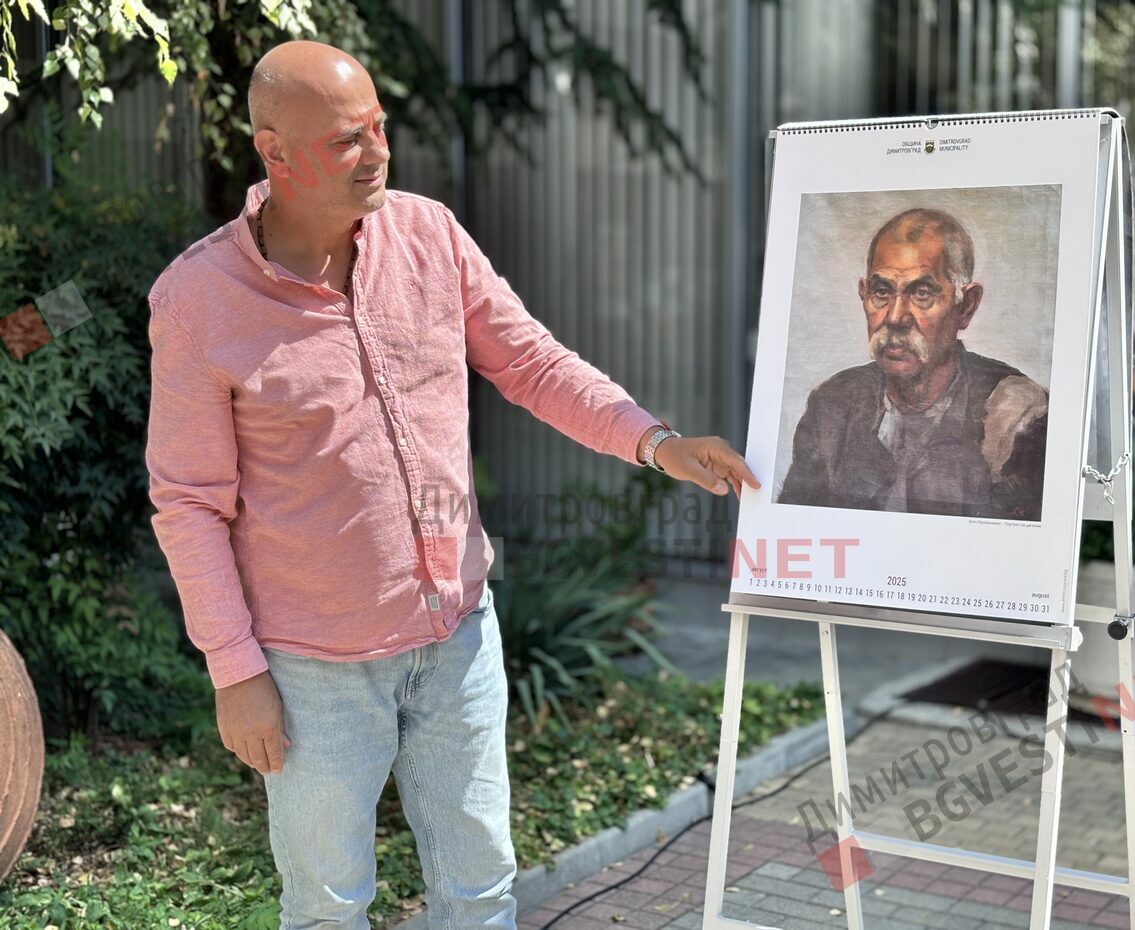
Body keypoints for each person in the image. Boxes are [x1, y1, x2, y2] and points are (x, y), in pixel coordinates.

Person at [144, 40, 759, 930]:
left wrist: (656, 442)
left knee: (480, 895)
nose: (378, 152)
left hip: (459, 638)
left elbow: (533, 364)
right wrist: (234, 671)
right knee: (325, 910)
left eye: (379, 128)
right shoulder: (200, 300)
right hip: (314, 671)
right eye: (348, 140)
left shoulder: (428, 234)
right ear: (274, 152)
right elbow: (189, 505)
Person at [777, 208, 1048, 521]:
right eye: (881, 291)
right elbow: (793, 526)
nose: (895, 317)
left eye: (921, 293)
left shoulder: (1013, 413)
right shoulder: (833, 404)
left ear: (966, 306)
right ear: (864, 295)